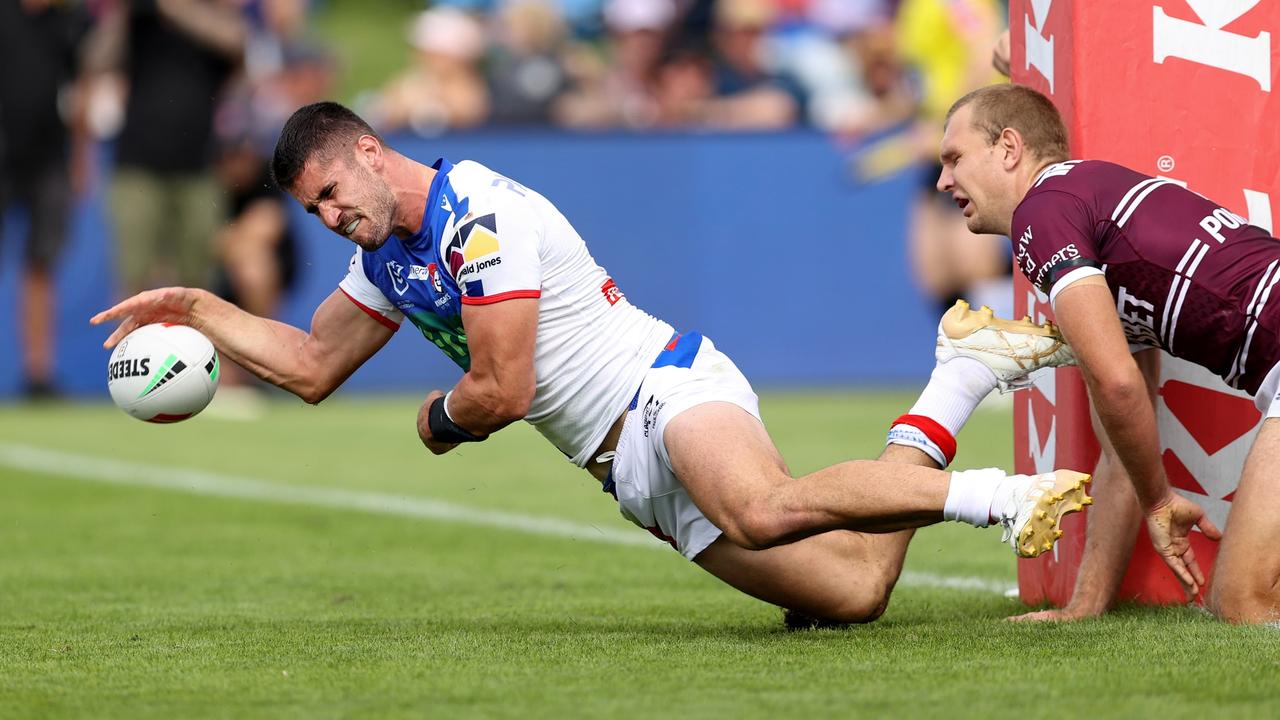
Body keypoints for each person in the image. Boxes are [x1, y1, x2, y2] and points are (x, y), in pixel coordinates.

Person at [91, 101, 1089, 626]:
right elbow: (309, 365)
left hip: (664, 389)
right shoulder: (385, 257)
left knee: (759, 508)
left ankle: (1000, 500)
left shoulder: (475, 216)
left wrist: (438, 423)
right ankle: (956, 375)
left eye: (327, 192)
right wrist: (199, 309)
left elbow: (502, 390)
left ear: (364, 150)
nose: (327, 216)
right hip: (629, 474)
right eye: (312, 210)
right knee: (855, 592)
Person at [931, 83, 1280, 623]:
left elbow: (1117, 384)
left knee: (1242, 601)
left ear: (1008, 148)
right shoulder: (1090, 211)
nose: (942, 180)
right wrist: (1084, 607)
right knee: (1240, 599)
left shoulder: (1042, 213)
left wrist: (1160, 502)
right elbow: (1120, 437)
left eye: (954, 158)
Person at [0, 0, 92, 399]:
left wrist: (80, 155)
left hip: (48, 156)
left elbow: (80, 88)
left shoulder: (69, 21)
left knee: (42, 264)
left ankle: (38, 374)